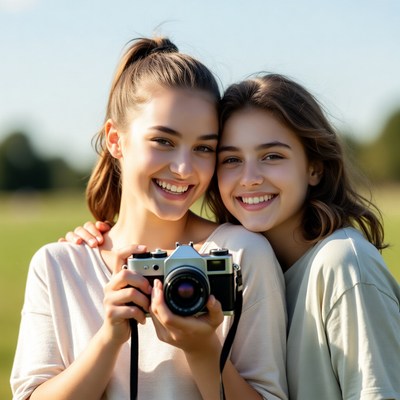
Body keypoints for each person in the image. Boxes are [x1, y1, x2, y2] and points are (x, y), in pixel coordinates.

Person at [70, 73, 400, 399]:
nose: (250, 178)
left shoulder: (344, 266)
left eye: (272, 156)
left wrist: (203, 350)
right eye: (231, 159)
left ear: (314, 167)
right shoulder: (261, 262)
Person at [11, 38, 288, 400]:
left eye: (204, 148)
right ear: (116, 139)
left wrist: (204, 352)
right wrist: (108, 339)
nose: (184, 168)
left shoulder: (242, 255)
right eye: (163, 141)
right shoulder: (59, 265)